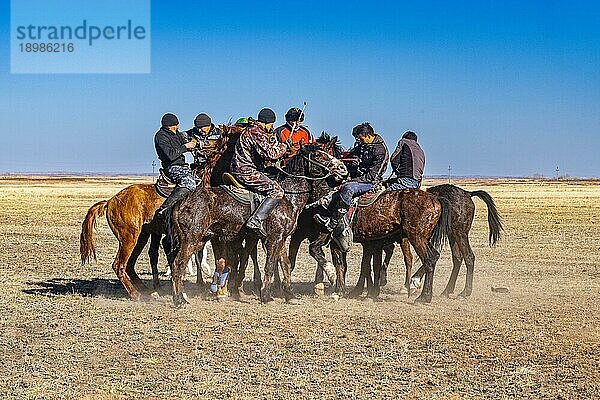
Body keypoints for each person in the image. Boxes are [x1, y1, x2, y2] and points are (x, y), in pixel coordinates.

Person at [314, 122, 389, 250]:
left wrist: (350, 180)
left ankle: (333, 222)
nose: (357, 140)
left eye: (359, 137)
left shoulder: (380, 150)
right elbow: (351, 157)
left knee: (347, 189)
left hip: (369, 182)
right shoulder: (362, 145)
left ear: (367, 135)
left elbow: (373, 176)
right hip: (357, 178)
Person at [230, 108, 291, 238]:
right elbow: (271, 154)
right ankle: (255, 220)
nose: (272, 127)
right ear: (267, 122)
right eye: (271, 124)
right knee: (277, 191)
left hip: (243, 168)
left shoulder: (252, 130)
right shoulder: (256, 132)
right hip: (245, 171)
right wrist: (284, 146)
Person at [154, 113, 197, 219]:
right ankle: (164, 208)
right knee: (189, 182)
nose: (174, 129)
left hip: (184, 166)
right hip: (172, 167)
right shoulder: (161, 136)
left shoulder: (177, 134)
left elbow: (185, 143)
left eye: (174, 127)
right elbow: (171, 155)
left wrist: (192, 144)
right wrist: (185, 147)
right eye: (171, 127)